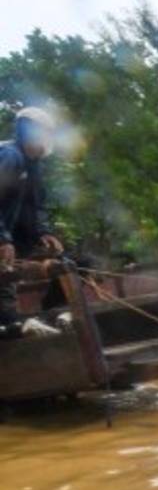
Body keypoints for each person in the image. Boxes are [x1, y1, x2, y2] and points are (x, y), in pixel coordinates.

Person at [0, 107, 65, 340]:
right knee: (5, 302)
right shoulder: (10, 156)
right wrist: (2, 239)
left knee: (68, 265)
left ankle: (45, 322)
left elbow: (36, 206)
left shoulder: (33, 166)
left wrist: (44, 232)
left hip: (12, 245)